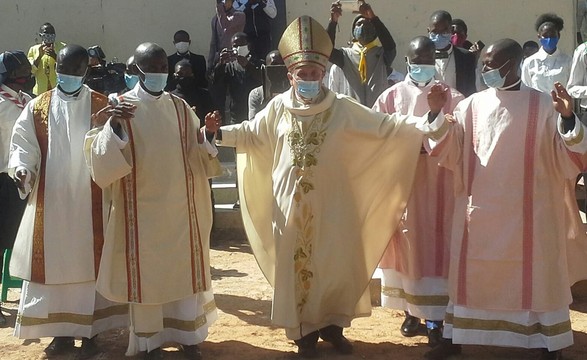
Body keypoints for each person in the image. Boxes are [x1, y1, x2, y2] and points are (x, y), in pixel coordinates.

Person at [215, 15, 447, 358]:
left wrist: (429, 118)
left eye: (314, 73)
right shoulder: (278, 107)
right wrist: (216, 133)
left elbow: (387, 126)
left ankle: (333, 328)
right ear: (291, 75)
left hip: (336, 205)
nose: (308, 79)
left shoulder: (342, 107)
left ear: (323, 73)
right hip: (289, 206)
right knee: (296, 267)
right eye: (302, 74)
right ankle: (303, 335)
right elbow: (250, 134)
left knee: (334, 265)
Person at [420, 39, 587, 360]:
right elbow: (446, 150)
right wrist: (435, 113)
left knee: (536, 276)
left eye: (490, 64)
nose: (484, 70)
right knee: (469, 275)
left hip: (532, 217)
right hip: (478, 215)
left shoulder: (542, 107)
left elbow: (573, 156)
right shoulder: (470, 106)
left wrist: (567, 118)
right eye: (482, 63)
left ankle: (545, 341)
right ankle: (456, 336)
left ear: (512, 65)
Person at [84, 42, 222, 360]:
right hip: (140, 215)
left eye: (163, 67)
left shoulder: (179, 106)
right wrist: (115, 125)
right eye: (154, 67)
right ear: (138, 71)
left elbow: (196, 150)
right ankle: (149, 343)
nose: (160, 72)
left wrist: (209, 134)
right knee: (147, 284)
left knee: (183, 278)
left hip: (181, 213)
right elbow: (100, 158)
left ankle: (189, 337)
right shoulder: (123, 106)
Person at [9, 44, 128, 359]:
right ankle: (61, 334)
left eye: (74, 71)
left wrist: (114, 130)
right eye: (62, 70)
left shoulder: (101, 105)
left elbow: (118, 146)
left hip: (93, 201)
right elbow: (23, 143)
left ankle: (92, 334)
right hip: (52, 203)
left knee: (92, 268)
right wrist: (22, 168)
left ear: (85, 72)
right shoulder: (37, 107)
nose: (67, 76)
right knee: (54, 267)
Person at [373, 36, 464, 347]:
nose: (424, 66)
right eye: (418, 60)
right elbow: (378, 135)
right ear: (407, 62)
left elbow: (463, 137)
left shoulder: (454, 97)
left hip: (442, 187)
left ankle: (437, 320)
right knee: (408, 245)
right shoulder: (389, 98)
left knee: (437, 248)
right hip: (405, 186)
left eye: (430, 60)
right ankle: (412, 310)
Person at [0, 51, 34, 326]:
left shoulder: (28, 102)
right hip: (0, 178)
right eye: (20, 71)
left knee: (21, 239)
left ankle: (29, 298)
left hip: (22, 180)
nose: (25, 76)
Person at [327, 1, 397, 107]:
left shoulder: (382, 55)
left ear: (375, 31)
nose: (364, 25)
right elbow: (328, 51)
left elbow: (391, 46)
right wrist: (333, 22)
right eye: (359, 24)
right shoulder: (345, 55)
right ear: (354, 33)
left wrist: (373, 18)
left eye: (369, 24)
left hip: (377, 115)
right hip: (352, 116)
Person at [211, 32, 262, 124]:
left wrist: (248, 65)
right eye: (235, 46)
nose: (237, 48)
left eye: (241, 45)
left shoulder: (259, 63)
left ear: (248, 46)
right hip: (237, 115)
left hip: (257, 111)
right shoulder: (230, 67)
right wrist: (220, 64)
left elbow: (263, 79)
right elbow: (216, 82)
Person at [428, 11, 477, 97]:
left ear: (451, 30)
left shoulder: (466, 57)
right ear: (428, 31)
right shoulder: (421, 57)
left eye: (444, 31)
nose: (439, 36)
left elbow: (471, 91)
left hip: (459, 108)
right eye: (435, 32)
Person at [522, 13, 572, 94]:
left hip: (562, 106)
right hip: (537, 106)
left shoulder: (568, 61)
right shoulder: (530, 62)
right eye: (545, 36)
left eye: (552, 35)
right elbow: (525, 90)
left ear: (558, 36)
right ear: (539, 37)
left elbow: (572, 89)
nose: (549, 39)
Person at [27, 22, 66, 95]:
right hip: (40, 91)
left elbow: (66, 66)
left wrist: (55, 56)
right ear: (40, 35)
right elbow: (31, 71)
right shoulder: (33, 49)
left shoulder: (62, 47)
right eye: (46, 34)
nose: (49, 36)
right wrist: (39, 57)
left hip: (58, 89)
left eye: (52, 34)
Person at [208, 0, 246, 74]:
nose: (223, 2)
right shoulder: (215, 19)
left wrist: (220, 9)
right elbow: (213, 43)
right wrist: (210, 64)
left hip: (234, 60)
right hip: (220, 60)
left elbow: (225, 26)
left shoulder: (239, 15)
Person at [247, 49, 286, 119]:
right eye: (274, 65)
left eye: (283, 64)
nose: (278, 69)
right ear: (266, 68)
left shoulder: (294, 91)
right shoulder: (257, 94)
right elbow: (252, 123)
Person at [172, 59, 214, 123]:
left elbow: (212, 117)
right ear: (174, 76)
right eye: (180, 74)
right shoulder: (170, 98)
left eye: (187, 73)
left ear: (192, 75)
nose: (184, 77)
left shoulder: (204, 95)